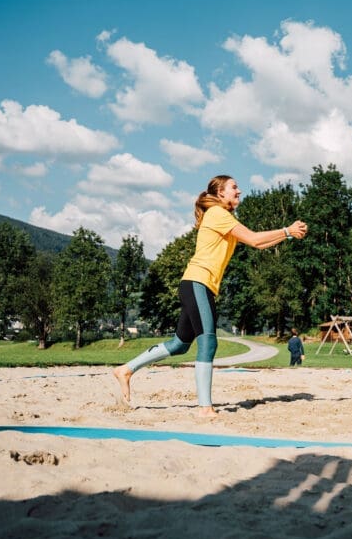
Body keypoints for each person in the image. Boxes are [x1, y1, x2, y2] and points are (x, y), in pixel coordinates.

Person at [113, 175, 308, 417]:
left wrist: (287, 234)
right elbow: (255, 238)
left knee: (179, 345)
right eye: (234, 187)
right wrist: (287, 230)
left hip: (198, 285)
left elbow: (257, 244)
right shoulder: (217, 214)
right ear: (220, 193)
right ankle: (205, 408)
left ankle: (126, 370)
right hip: (198, 283)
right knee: (208, 341)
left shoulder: (223, 217)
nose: (239, 191)